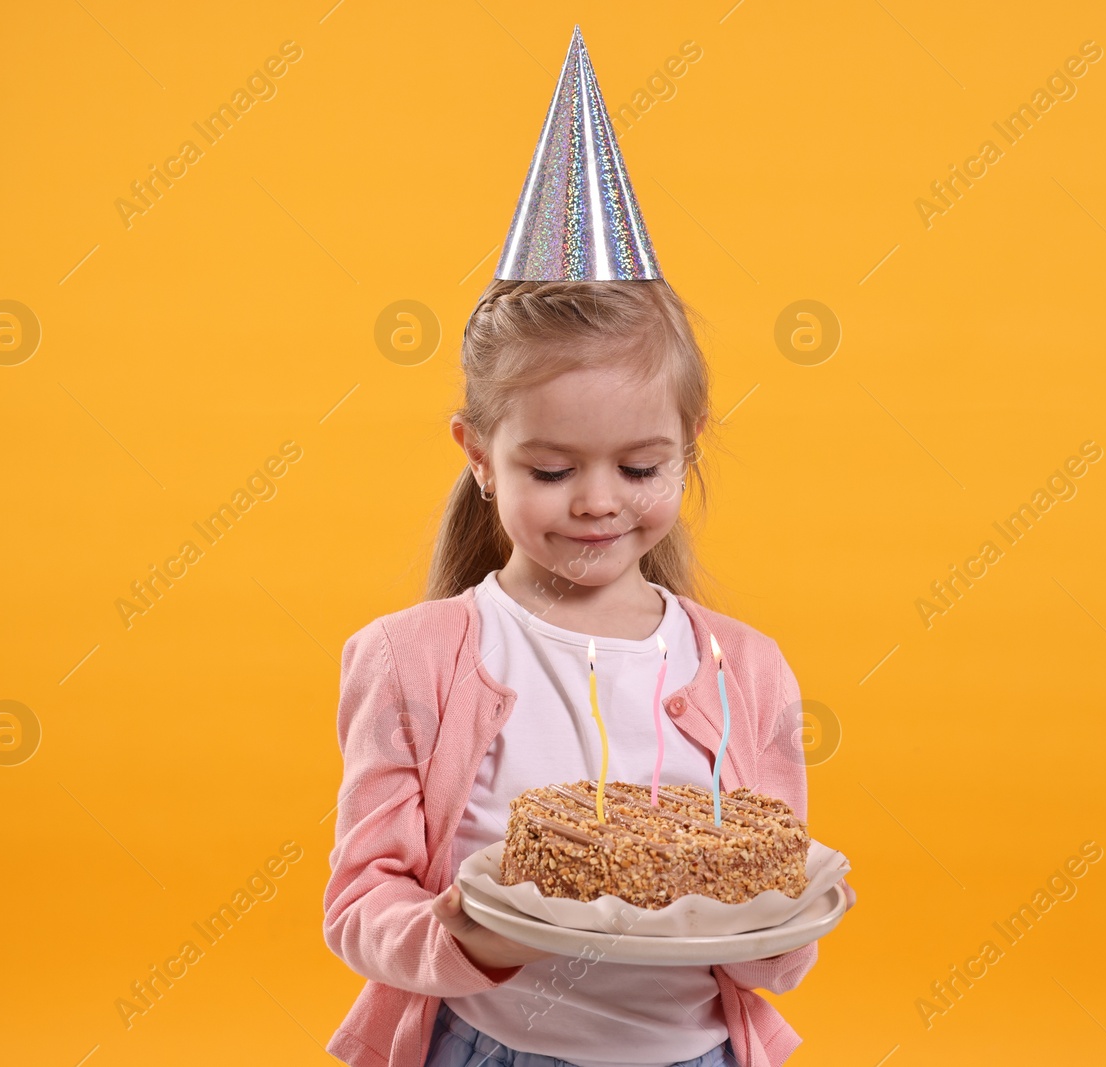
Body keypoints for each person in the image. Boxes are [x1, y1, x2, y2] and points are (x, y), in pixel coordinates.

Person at [321, 26, 852, 1067]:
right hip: (490, 1046)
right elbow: (358, 901)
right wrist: (462, 935)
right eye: (552, 470)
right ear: (479, 453)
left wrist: (781, 928)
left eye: (640, 468)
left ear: (687, 446)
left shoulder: (744, 670)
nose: (597, 506)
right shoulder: (408, 660)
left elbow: (775, 924)